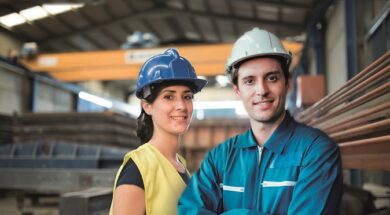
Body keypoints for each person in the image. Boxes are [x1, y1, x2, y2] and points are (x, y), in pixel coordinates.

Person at [178, 28, 343, 214]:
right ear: (237, 90)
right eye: (249, 81)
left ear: (287, 83)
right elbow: (188, 209)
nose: (262, 90)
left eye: (271, 78)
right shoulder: (221, 157)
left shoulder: (316, 152)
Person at [109, 48, 207, 215]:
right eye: (169, 97)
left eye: (187, 96)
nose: (181, 106)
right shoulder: (139, 168)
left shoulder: (180, 165)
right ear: (147, 106)